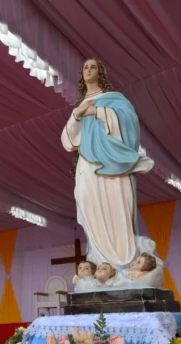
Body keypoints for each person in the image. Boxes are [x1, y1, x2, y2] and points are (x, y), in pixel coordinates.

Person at [61, 58, 155, 273]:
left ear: (101, 72)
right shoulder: (80, 104)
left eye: (93, 67)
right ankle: (99, 257)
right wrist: (77, 114)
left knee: (116, 203)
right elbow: (68, 140)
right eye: (85, 67)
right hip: (87, 162)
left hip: (111, 161)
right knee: (85, 200)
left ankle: (122, 260)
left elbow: (129, 121)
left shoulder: (115, 99)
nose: (88, 70)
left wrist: (98, 112)